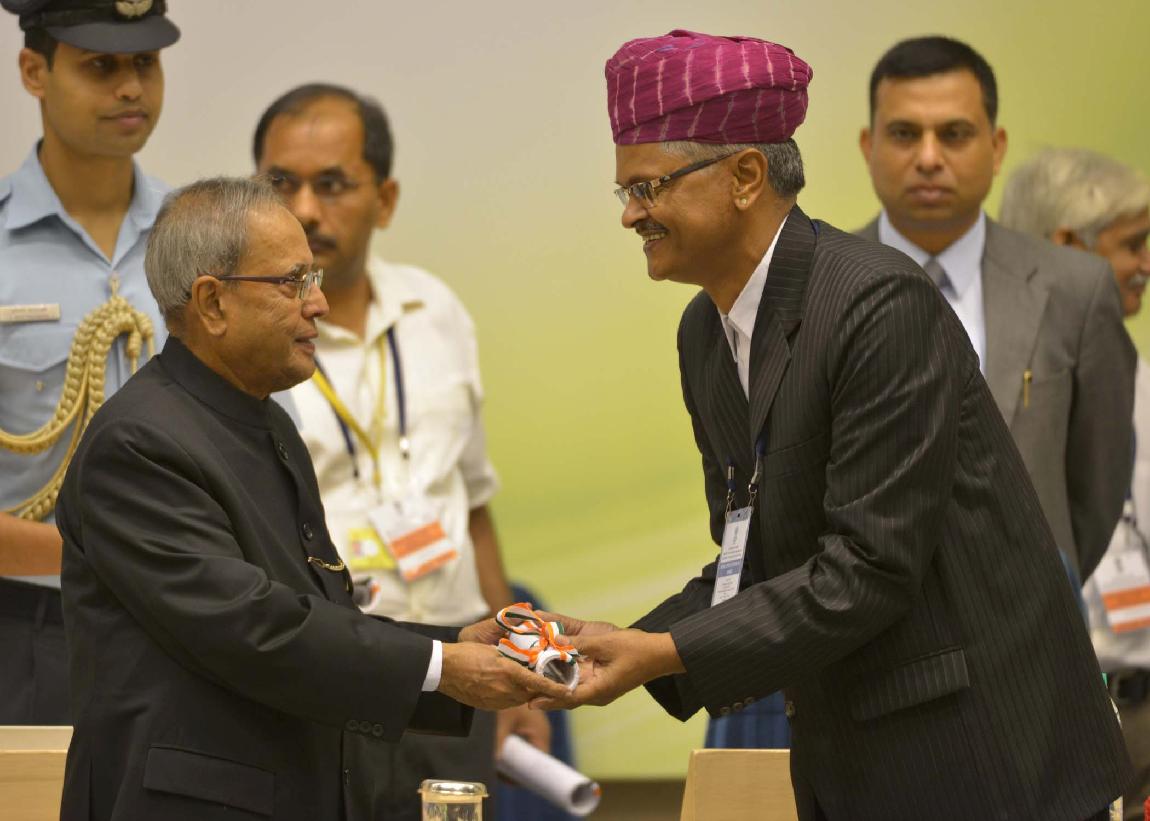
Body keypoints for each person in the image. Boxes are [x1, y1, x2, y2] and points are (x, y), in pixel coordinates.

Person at [537, 29, 1132, 820]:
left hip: (984, 761)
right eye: (625, 191)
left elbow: (869, 566)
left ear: (746, 176)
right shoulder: (704, 333)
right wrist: (618, 642)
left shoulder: (876, 303)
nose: (630, 216)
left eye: (648, 187)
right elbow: (755, 556)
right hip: (850, 752)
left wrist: (661, 653)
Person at [54, 176, 567, 821]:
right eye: (293, 282)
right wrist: (442, 665)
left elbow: (316, 612)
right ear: (212, 303)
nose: (319, 303)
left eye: (313, 278)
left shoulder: (266, 421)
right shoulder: (138, 444)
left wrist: (455, 639)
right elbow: (253, 629)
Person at [251, 84, 548, 819]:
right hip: (327, 671)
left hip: (457, 668)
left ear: (384, 200)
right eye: (280, 183)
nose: (305, 209)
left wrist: (514, 669)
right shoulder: (246, 341)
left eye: (332, 184)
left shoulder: (435, 310)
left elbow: (472, 504)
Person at [856, 35, 1135, 583]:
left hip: (1034, 613)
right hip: (871, 625)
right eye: (905, 134)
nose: (928, 158)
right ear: (869, 146)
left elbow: (1097, 487)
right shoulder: (812, 289)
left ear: (997, 146)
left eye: (954, 134)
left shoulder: (1075, 289)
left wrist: (1041, 593)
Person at [0, 0, 179, 725]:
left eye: (145, 62)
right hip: (27, 629)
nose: (130, 87)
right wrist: (106, 556)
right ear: (34, 71)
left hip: (190, 628)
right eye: (100, 65)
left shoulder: (204, 237)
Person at [1001, 147, 1150, 820]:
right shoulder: (977, 373)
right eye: (1133, 244)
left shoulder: (1138, 379)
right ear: (1066, 246)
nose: (1146, 263)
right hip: (1041, 720)